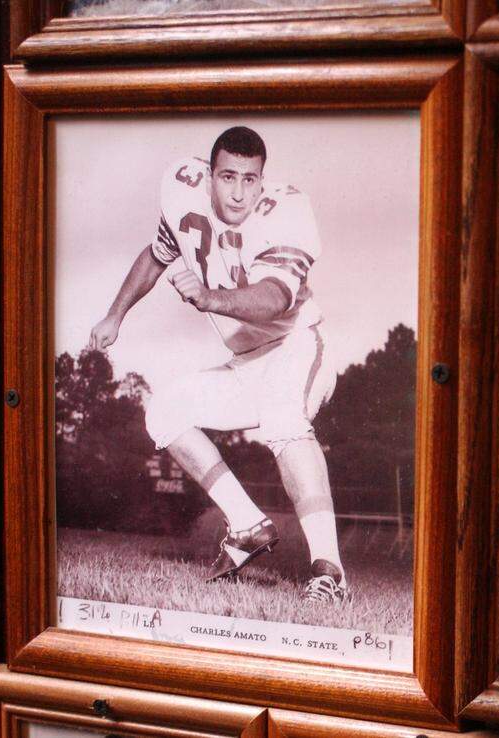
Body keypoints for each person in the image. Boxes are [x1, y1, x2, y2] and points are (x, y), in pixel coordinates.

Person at [88, 126, 348, 603]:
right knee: (164, 410)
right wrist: (115, 314)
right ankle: (247, 524)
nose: (239, 191)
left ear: (262, 179)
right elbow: (157, 253)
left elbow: (273, 299)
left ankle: (330, 574)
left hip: (297, 346)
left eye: (251, 179)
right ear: (209, 175)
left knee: (283, 421)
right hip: (245, 362)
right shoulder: (181, 186)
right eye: (228, 177)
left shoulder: (287, 211)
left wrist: (208, 297)